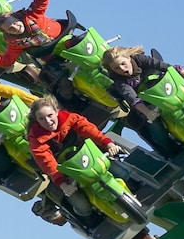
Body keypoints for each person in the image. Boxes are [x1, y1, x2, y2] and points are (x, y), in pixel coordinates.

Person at [101, 45, 184, 156]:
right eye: (116, 68)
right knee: (155, 127)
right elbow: (133, 99)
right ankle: (170, 148)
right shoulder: (120, 82)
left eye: (123, 63)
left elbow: (165, 67)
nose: (122, 69)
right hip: (150, 103)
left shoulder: (140, 60)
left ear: (128, 58)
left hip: (166, 88)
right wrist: (148, 113)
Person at [27, 94, 121, 222]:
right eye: (42, 119)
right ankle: (86, 219)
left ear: (56, 111)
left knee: (121, 172)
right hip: (65, 169)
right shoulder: (36, 138)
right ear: (37, 120)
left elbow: (88, 128)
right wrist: (63, 184)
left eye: (50, 116)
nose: (48, 122)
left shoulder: (68, 118)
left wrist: (107, 142)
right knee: (83, 206)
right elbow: (47, 162)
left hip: (86, 155)